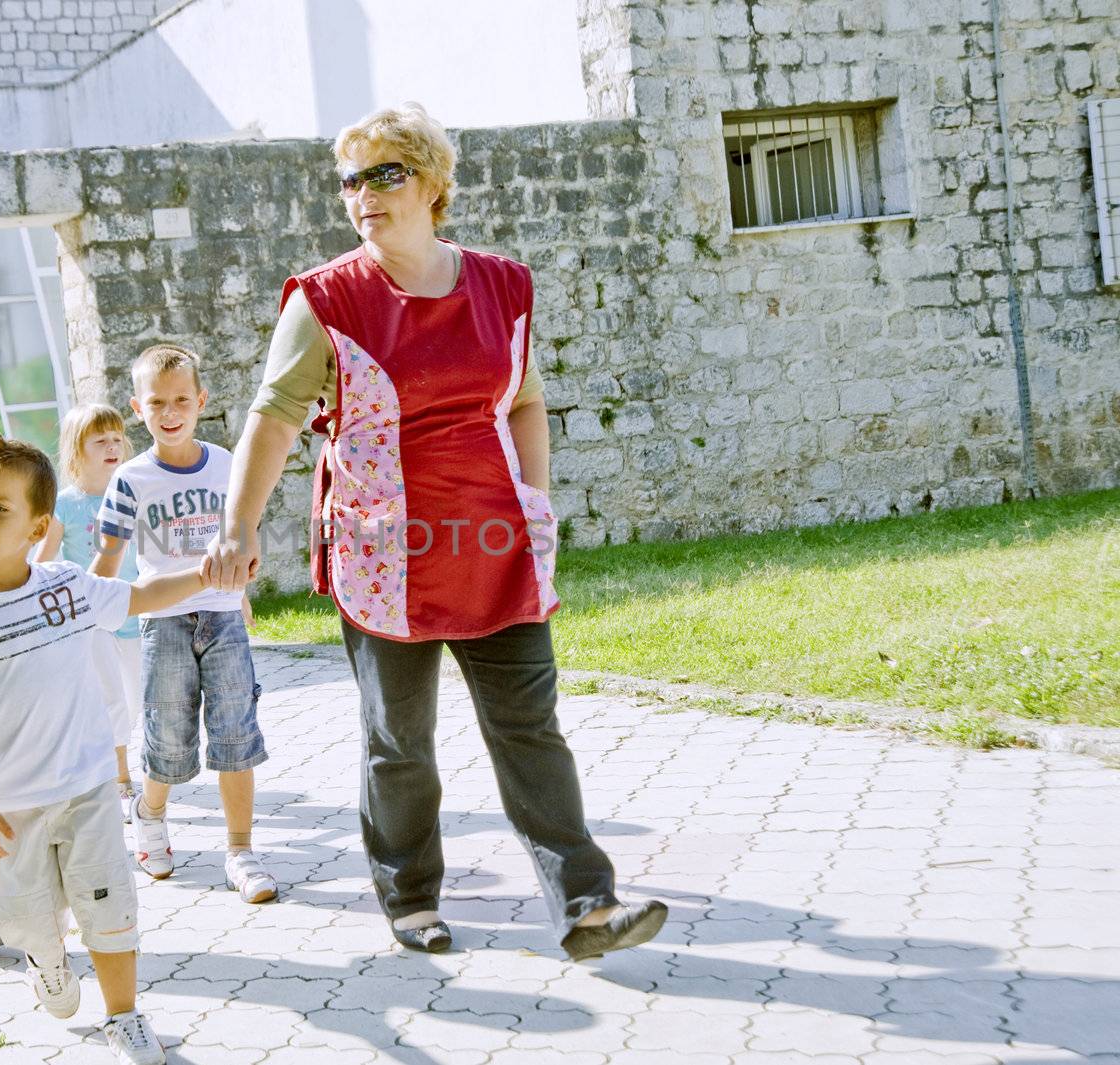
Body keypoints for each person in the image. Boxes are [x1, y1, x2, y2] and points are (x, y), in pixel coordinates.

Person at [202, 103, 667, 959]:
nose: (363, 194)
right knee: (400, 742)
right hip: (387, 556)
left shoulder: (502, 284)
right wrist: (238, 526)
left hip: (496, 545)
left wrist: (535, 500)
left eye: (386, 174)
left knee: (530, 726)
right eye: (351, 179)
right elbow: (272, 420)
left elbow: (523, 398)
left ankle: (586, 904)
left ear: (434, 184)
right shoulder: (326, 300)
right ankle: (410, 894)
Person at [0, 436, 206, 1064]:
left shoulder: (68, 587)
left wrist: (206, 574)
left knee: (108, 903)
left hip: (87, 790)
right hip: (10, 806)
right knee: (25, 916)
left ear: (39, 526)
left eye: (0, 508)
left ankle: (124, 1016)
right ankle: (44, 958)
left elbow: (139, 596)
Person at [95, 345, 276, 905]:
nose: (169, 412)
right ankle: (150, 814)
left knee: (235, 733)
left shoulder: (228, 466)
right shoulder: (130, 478)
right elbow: (106, 560)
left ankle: (241, 852)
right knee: (167, 739)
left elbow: (247, 536)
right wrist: (86, 613)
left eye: (180, 400)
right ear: (137, 408)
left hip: (223, 620)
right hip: (163, 623)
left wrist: (243, 588)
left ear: (201, 400)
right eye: (156, 402)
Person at [37, 404, 143, 819]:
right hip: (93, 620)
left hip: (138, 611)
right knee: (113, 699)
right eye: (100, 440)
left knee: (136, 701)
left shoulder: (134, 491)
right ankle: (119, 775)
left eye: (117, 438)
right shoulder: (65, 505)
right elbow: (43, 560)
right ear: (77, 451)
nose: (112, 446)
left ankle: (135, 763)